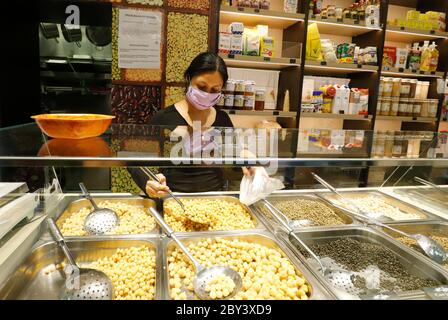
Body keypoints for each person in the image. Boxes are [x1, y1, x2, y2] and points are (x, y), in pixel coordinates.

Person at [128, 52, 254, 198]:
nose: (207, 94)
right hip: (171, 198)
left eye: (215, 90)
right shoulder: (164, 118)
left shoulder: (222, 119)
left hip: (215, 200)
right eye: (201, 87)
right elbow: (134, 160)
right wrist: (147, 181)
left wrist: (246, 155)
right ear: (189, 79)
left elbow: (234, 153)